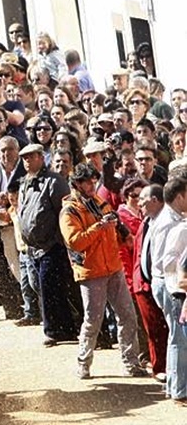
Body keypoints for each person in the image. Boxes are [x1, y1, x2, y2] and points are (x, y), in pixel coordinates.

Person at [59, 163, 148, 379]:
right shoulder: (69, 210)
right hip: (91, 272)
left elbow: (113, 229)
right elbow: (74, 242)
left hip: (113, 268)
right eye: (88, 181)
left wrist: (121, 234)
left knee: (127, 315)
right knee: (93, 321)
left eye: (93, 180)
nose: (92, 184)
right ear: (77, 184)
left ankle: (131, 363)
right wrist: (99, 227)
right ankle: (83, 363)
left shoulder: (99, 202)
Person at [18, 143, 80, 347]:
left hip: (53, 245)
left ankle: (54, 330)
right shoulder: (25, 182)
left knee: (50, 287)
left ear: (40, 157)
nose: (27, 161)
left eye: (31, 157)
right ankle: (66, 328)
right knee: (47, 288)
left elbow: (64, 212)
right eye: (24, 158)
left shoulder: (54, 181)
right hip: (33, 247)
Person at [156, 176, 187, 403]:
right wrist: (179, 288)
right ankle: (180, 391)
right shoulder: (170, 222)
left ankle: (173, 387)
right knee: (179, 339)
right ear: (180, 197)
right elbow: (164, 261)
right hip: (170, 283)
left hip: (169, 281)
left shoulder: (173, 218)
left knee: (175, 337)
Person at [133, 184, 169, 382]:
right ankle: (159, 367)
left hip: (162, 282)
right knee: (154, 329)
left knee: (166, 328)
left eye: (143, 199)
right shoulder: (146, 221)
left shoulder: (165, 221)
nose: (139, 203)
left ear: (155, 200)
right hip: (143, 284)